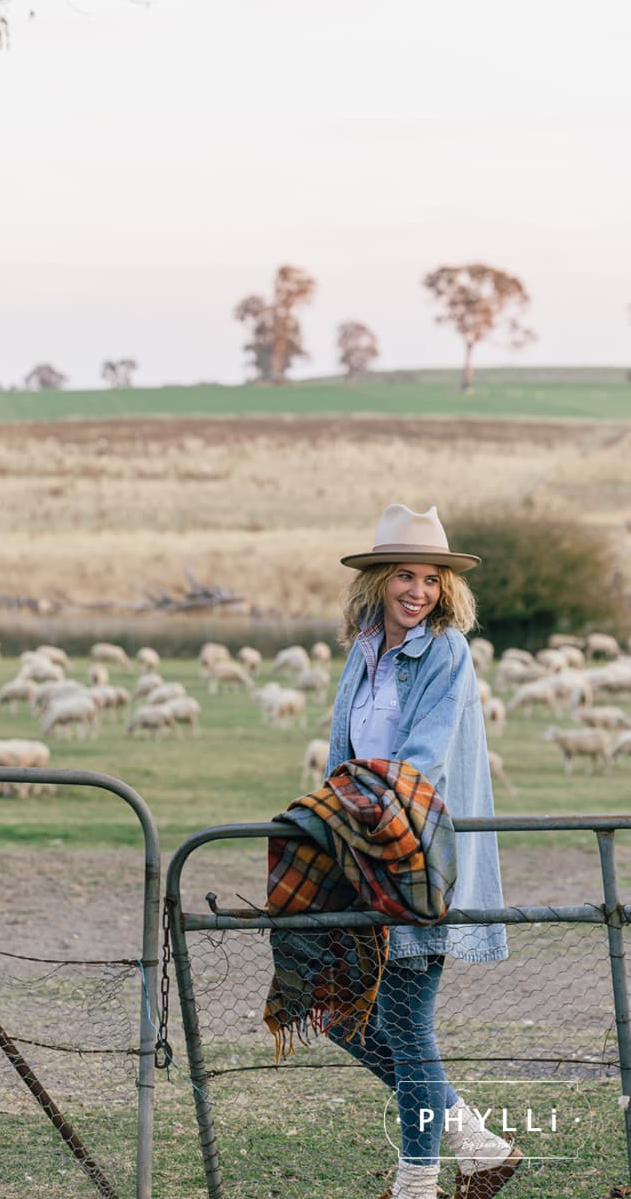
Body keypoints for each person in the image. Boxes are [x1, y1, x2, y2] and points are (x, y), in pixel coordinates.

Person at [326, 504, 522, 1199]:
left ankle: (417, 1185)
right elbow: (341, 755)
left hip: (419, 859)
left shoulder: (445, 650)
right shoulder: (364, 649)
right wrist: (329, 827)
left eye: (431, 578)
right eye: (404, 575)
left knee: (406, 1026)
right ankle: (476, 1140)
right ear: (378, 580)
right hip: (362, 853)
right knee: (336, 1015)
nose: (418, 590)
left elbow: (424, 760)